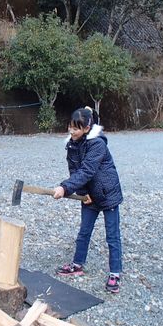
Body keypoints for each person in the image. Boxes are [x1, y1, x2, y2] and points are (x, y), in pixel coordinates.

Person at [53, 107, 124, 294]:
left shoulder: (97, 144)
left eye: (76, 128)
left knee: (112, 236)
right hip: (89, 196)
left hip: (107, 193)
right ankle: (77, 264)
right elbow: (75, 171)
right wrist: (82, 193)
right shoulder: (71, 144)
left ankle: (115, 273)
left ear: (86, 128)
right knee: (84, 232)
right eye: (70, 126)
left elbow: (87, 170)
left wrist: (65, 187)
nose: (71, 131)